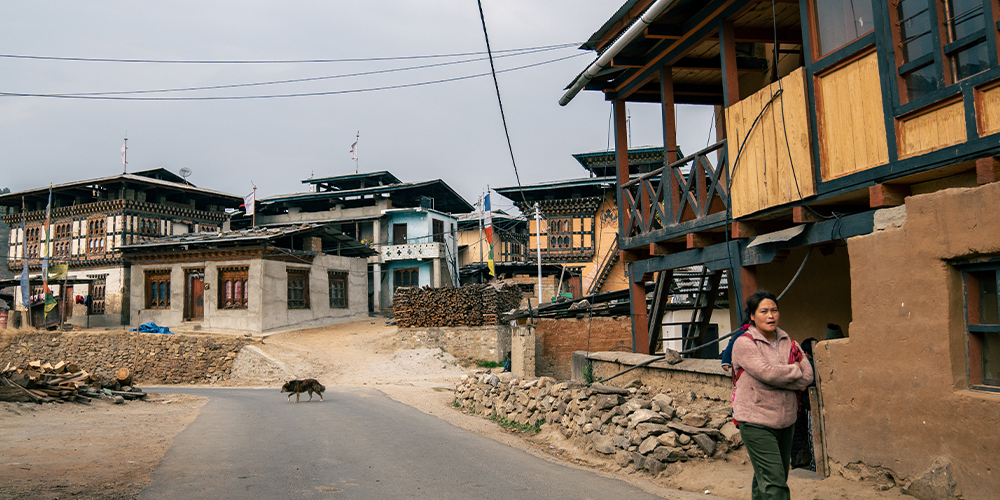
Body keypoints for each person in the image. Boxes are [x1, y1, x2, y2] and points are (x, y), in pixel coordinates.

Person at [732, 291, 813, 500]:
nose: (771, 316)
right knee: (775, 484)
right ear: (751, 315)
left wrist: (779, 379)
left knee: (769, 479)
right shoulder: (744, 343)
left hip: (786, 420)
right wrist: (793, 371)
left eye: (774, 310)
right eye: (764, 311)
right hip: (755, 419)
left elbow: (808, 378)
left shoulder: (790, 342)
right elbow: (766, 373)